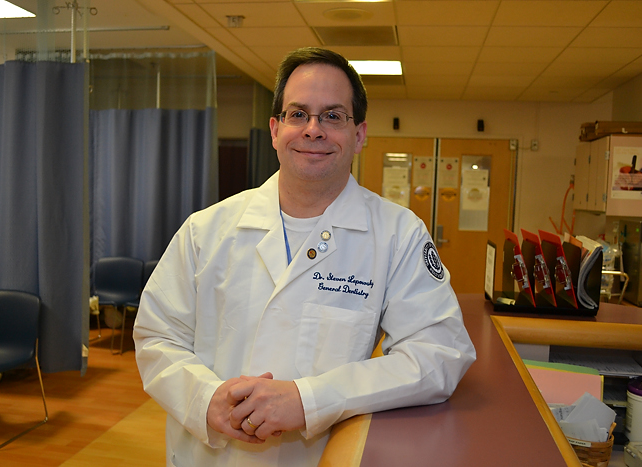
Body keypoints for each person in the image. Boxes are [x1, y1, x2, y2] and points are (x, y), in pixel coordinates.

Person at [133, 47, 476, 467]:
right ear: (276, 130)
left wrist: (309, 399)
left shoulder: (398, 235)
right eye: (298, 114)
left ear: (360, 135)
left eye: (333, 116)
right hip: (208, 456)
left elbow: (439, 354)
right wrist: (205, 400)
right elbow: (157, 335)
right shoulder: (206, 230)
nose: (313, 129)